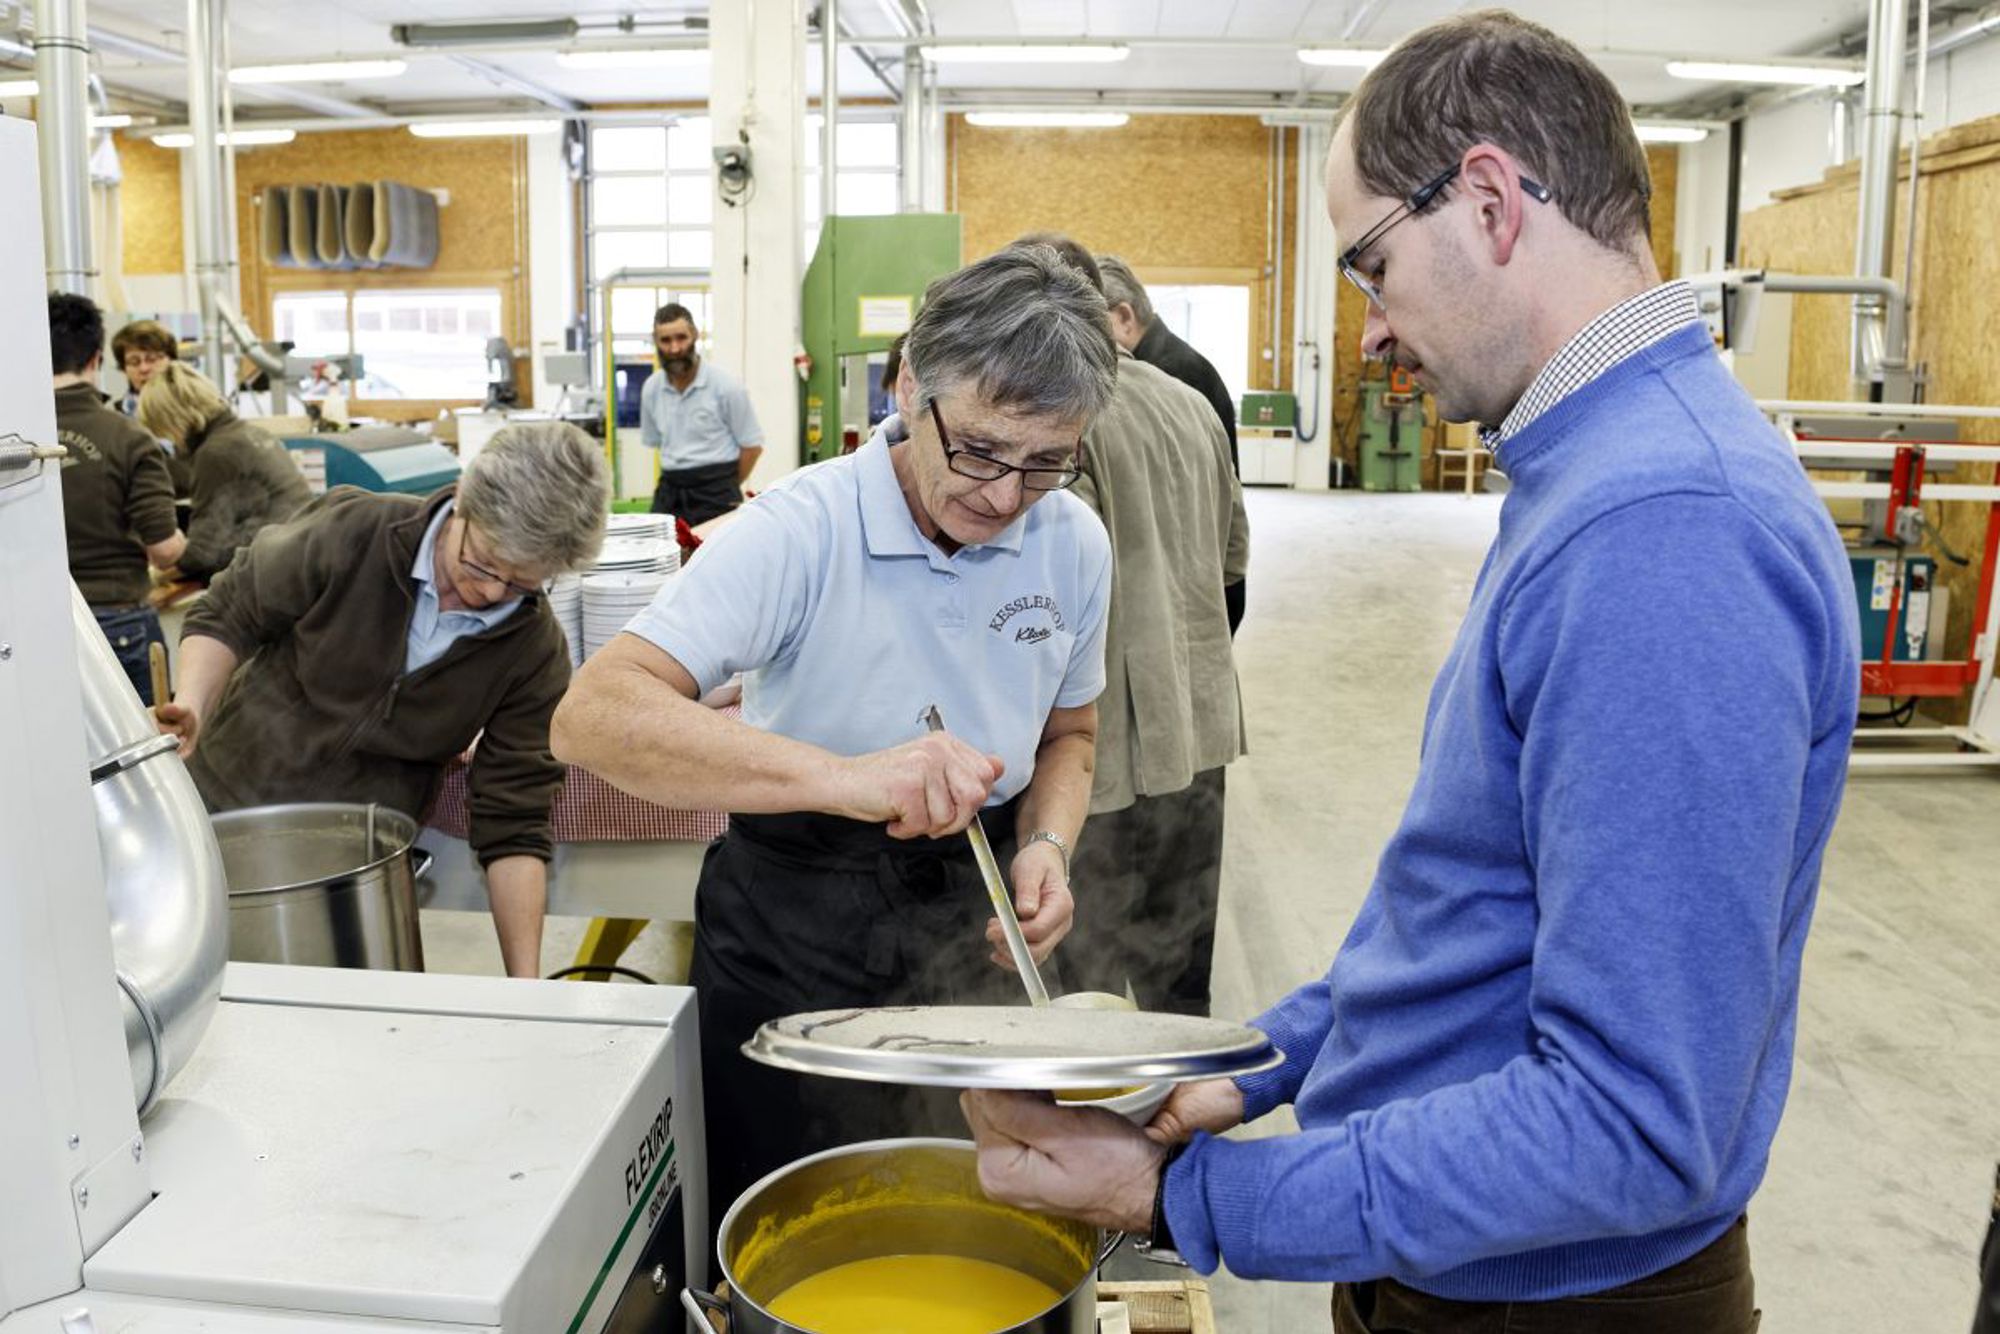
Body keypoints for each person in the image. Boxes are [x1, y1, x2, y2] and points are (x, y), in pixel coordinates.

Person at [964, 13, 1859, 1334]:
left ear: (1490, 200)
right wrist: (1250, 1064)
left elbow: (1631, 1118)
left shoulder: (1663, 529)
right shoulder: (1591, 478)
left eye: (1373, 266)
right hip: (1461, 1251)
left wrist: (1186, 1195)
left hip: (1546, 1299)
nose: (1371, 330)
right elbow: (1467, 921)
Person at [551, 245, 1117, 1225]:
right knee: (783, 1209)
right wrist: (845, 777)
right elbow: (591, 716)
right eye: (980, 451)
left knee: (970, 1211)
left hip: (972, 920)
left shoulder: (1073, 541)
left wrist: (1046, 845)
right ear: (909, 388)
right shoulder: (798, 529)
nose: (1002, 497)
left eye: (1043, 463)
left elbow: (1072, 732)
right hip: (793, 916)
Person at [155, 422, 608, 978]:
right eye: (484, 562)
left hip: (353, 867)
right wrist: (193, 703)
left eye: (522, 585)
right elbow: (232, 609)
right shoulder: (357, 531)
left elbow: (514, 818)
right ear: (462, 501)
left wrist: (526, 985)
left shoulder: (533, 651)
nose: (493, 592)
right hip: (220, 810)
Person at [1016, 232, 1250, 1017]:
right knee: (1180, 986)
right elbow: (1233, 562)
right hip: (1202, 739)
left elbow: (1047, 603)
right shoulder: (1192, 404)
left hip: (1102, 764)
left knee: (1087, 1001)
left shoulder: (1059, 427)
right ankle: (1187, 1101)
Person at [1098, 254, 1248, 631]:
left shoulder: (1169, 376)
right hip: (1203, 578)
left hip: (1195, 588)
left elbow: (1170, 506)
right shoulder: (1172, 363)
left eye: (1090, 326)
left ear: (1124, 317)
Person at [48, 293, 186, 703]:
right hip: (118, 619)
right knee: (140, 742)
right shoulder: (129, 437)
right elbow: (164, 551)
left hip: (36, 623)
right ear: (96, 359)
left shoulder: (13, 440)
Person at [138, 362, 311, 581]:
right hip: (298, 556)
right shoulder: (251, 433)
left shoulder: (216, 453)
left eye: (165, 431)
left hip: (274, 571)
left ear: (175, 419)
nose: (171, 441)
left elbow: (201, 554)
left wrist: (153, 579)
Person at [639, 302, 763, 525]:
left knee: (717, 548)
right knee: (657, 545)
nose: (675, 348)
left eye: (681, 338)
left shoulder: (726, 386)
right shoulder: (651, 389)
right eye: (666, 340)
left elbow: (752, 447)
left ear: (695, 335)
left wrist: (725, 486)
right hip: (670, 492)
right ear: (656, 341)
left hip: (717, 493)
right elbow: (655, 441)